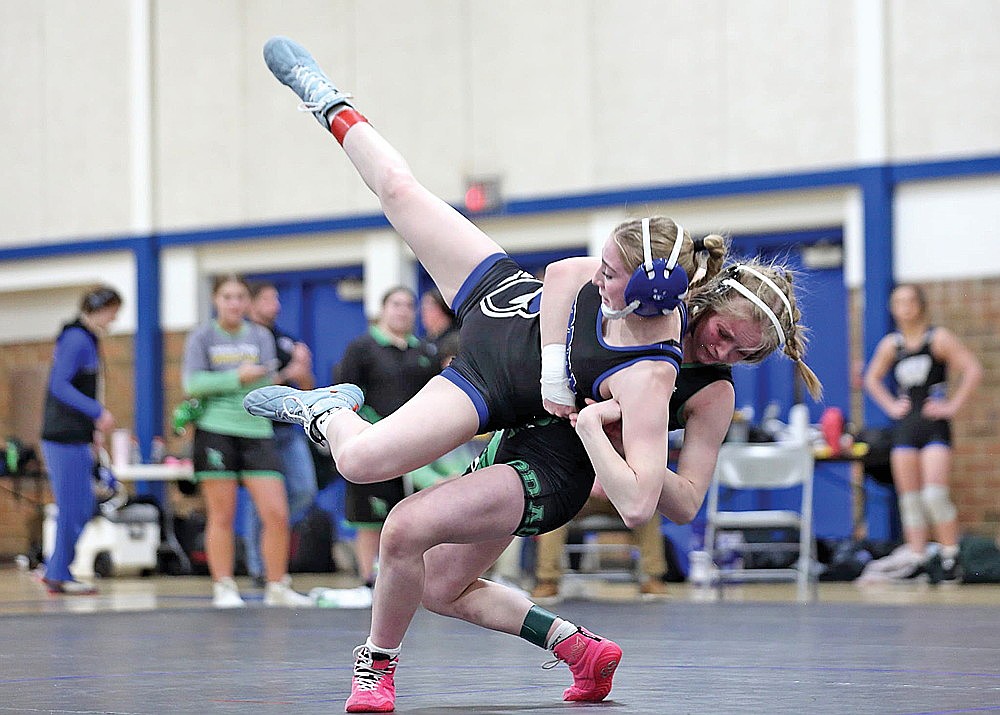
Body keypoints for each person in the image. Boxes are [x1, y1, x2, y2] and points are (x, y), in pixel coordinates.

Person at [247, 36, 820, 712]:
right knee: (400, 191)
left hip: (527, 428)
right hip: (505, 316)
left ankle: (326, 422)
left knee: (382, 487)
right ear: (705, 296)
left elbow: (664, 499)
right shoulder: (650, 278)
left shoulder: (670, 382)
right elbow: (568, 273)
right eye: (727, 335)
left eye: (746, 355)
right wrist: (558, 372)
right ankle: (328, 101)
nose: (726, 354)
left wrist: (603, 429)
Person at [181, 274, 312, 608]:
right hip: (216, 430)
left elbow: (266, 381)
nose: (234, 303)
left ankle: (277, 585)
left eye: (240, 297)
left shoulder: (260, 336)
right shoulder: (202, 336)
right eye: (227, 297)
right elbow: (193, 383)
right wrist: (235, 377)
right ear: (216, 300)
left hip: (257, 431)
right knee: (222, 514)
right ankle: (224, 585)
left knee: (277, 513)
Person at [863, 283, 982, 582]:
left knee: (934, 495)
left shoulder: (937, 338)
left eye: (910, 301)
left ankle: (949, 555)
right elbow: (871, 378)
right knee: (910, 498)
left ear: (920, 305)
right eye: (898, 302)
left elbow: (972, 369)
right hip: (905, 427)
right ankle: (917, 557)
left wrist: (952, 405)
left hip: (933, 427)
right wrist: (891, 405)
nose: (904, 307)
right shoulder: (893, 344)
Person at [335, 286, 440, 594]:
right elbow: (346, 393)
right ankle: (369, 579)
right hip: (375, 440)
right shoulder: (362, 348)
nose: (403, 310)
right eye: (396, 304)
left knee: (412, 515)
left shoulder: (423, 351)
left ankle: (405, 580)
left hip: (416, 445)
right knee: (370, 517)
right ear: (382, 309)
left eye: (409, 305)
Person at [39, 286, 122, 595]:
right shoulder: (77, 339)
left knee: (82, 505)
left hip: (76, 435)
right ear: (100, 309)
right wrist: (97, 411)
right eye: (113, 311)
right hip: (63, 436)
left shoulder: (85, 339)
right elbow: (59, 385)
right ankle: (58, 572)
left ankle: (58, 569)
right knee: (73, 507)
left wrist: (93, 429)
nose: (114, 318)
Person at [242, 280, 319, 587]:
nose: (276, 304)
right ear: (252, 304)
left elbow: (306, 386)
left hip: (289, 428)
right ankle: (258, 564)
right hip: (259, 429)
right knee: (260, 500)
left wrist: (304, 371)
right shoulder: (248, 339)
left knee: (303, 489)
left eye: (277, 298)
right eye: (268, 299)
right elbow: (254, 387)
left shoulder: (287, 340)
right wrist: (289, 374)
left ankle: (272, 542)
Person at [531, 478, 670, 599]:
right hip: (583, 494)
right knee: (553, 509)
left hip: (623, 495)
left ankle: (653, 578)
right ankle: (547, 581)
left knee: (648, 509)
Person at [419, 287, 458, 357]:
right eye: (422, 308)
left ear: (442, 308)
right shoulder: (424, 343)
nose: (423, 313)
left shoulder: (456, 341)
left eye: (428, 307)